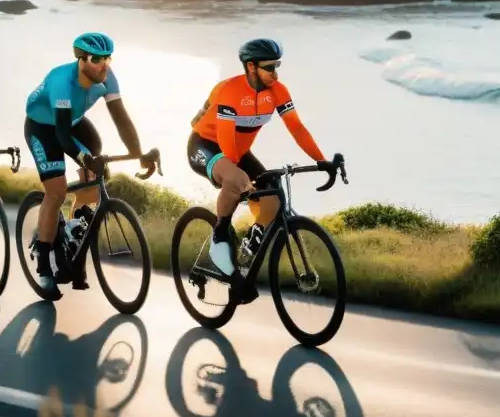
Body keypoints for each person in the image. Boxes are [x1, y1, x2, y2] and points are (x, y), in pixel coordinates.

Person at [188, 38, 343, 288]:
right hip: (206, 146)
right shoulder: (231, 91)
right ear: (251, 66)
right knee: (236, 179)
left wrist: (321, 161)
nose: (275, 73)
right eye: (269, 67)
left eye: (277, 66)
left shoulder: (278, 91)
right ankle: (219, 239)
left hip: (239, 151)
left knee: (273, 196)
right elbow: (226, 140)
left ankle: (249, 246)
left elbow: (297, 128)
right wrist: (240, 178)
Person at [24, 32, 155, 298]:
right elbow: (60, 135)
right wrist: (82, 158)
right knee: (57, 191)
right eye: (97, 59)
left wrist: (139, 154)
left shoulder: (107, 76)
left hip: (71, 123)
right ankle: (44, 265)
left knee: (94, 171)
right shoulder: (62, 80)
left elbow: (122, 120)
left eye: (107, 58)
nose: (104, 64)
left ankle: (74, 235)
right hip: (43, 127)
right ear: (81, 60)